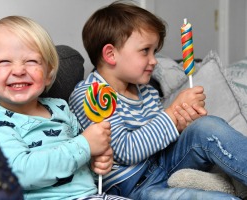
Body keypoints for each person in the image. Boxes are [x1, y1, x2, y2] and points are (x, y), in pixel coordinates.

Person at [69, 1, 247, 200]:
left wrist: (181, 121)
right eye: (145, 50)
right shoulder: (90, 95)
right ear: (111, 54)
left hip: (164, 164)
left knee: (207, 126)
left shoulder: (146, 91)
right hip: (132, 187)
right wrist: (171, 115)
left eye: (155, 51)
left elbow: (160, 139)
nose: (154, 60)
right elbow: (125, 151)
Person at [0, 15, 130, 200]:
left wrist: (96, 163)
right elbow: (19, 173)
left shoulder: (61, 107)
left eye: (31, 61)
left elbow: (79, 162)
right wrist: (85, 146)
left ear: (48, 74)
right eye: (4, 62)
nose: (19, 70)